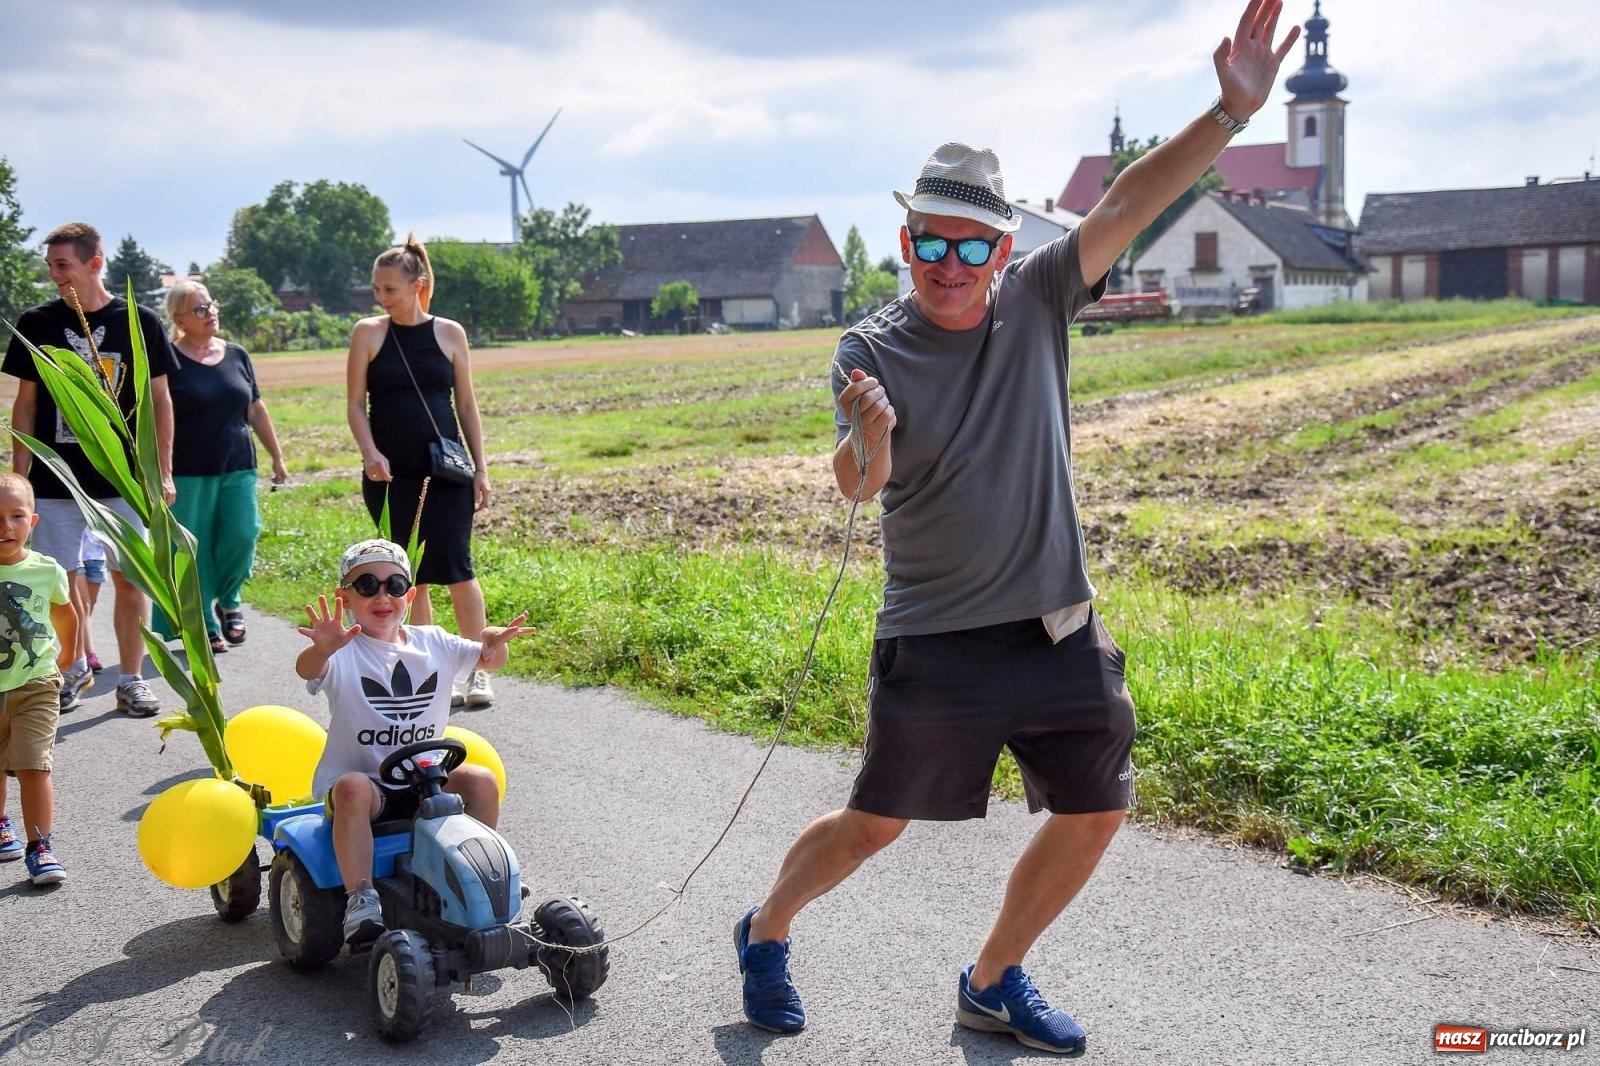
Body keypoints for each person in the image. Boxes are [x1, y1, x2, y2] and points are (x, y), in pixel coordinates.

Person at [732, 2, 1299, 1054]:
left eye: (970, 244)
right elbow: (857, 486)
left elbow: (1131, 198)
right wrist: (870, 437)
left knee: (1095, 806)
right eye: (929, 243)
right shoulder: (869, 345)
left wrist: (1226, 112)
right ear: (906, 243)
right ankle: (766, 931)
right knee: (874, 826)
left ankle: (991, 979)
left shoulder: (1039, 297)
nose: (948, 263)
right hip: (937, 636)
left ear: (1003, 248)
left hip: (1056, 628)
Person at [296, 538, 529, 943]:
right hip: (369, 789)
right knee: (350, 787)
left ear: (411, 593)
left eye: (395, 585)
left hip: (426, 779)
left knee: (481, 780)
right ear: (345, 597)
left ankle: (479, 873)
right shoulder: (342, 652)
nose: (383, 595)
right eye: (367, 585)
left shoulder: (433, 641)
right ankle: (361, 898)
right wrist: (321, 648)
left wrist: (492, 644)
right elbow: (307, 669)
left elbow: (489, 659)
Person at [2, 221, 179, 719]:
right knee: (62, 581)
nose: (55, 275)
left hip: (124, 479)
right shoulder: (37, 323)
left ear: (94, 263)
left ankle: (130, 679)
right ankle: (74, 667)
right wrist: (20, 481)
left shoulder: (139, 321)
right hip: (57, 480)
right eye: (50, 266)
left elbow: (160, 401)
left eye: (64, 265)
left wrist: (162, 471)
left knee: (131, 580)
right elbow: (26, 405)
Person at [345, 236, 496, 707]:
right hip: (390, 474)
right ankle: (434, 671)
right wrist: (370, 452)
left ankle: (478, 670)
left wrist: (482, 469)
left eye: (390, 288)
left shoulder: (450, 333)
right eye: (377, 289)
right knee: (413, 575)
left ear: (418, 285)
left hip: (447, 472)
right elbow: (354, 404)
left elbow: (466, 405)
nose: (381, 297)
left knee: (457, 566)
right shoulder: (367, 333)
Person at [152, 279, 289, 655]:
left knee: (242, 535)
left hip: (238, 465)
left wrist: (277, 456)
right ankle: (206, 623)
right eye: (200, 308)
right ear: (179, 319)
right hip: (187, 471)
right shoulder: (170, 360)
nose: (210, 312)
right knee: (195, 549)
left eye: (211, 304)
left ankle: (230, 599)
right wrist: (159, 471)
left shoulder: (237, 355)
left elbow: (255, 409)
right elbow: (155, 414)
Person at [0, 473, 80, 885]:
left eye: (16, 516)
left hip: (36, 684)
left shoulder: (46, 570)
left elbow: (67, 615)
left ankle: (40, 846)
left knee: (34, 767)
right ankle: (1, 824)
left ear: (33, 522)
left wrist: (66, 657)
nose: (5, 527)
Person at [74, 530, 106, 674]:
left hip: (98, 553)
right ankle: (88, 653)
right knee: (82, 606)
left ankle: (77, 648)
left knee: (89, 607)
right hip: (75, 553)